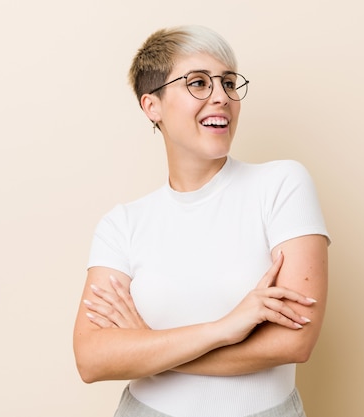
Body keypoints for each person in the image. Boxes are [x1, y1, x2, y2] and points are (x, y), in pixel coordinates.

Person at [73, 25, 330, 417]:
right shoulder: (122, 225)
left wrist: (148, 347)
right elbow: (92, 360)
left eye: (228, 82)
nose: (221, 97)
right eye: (197, 83)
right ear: (152, 106)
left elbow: (294, 342)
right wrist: (224, 328)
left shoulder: (281, 185)